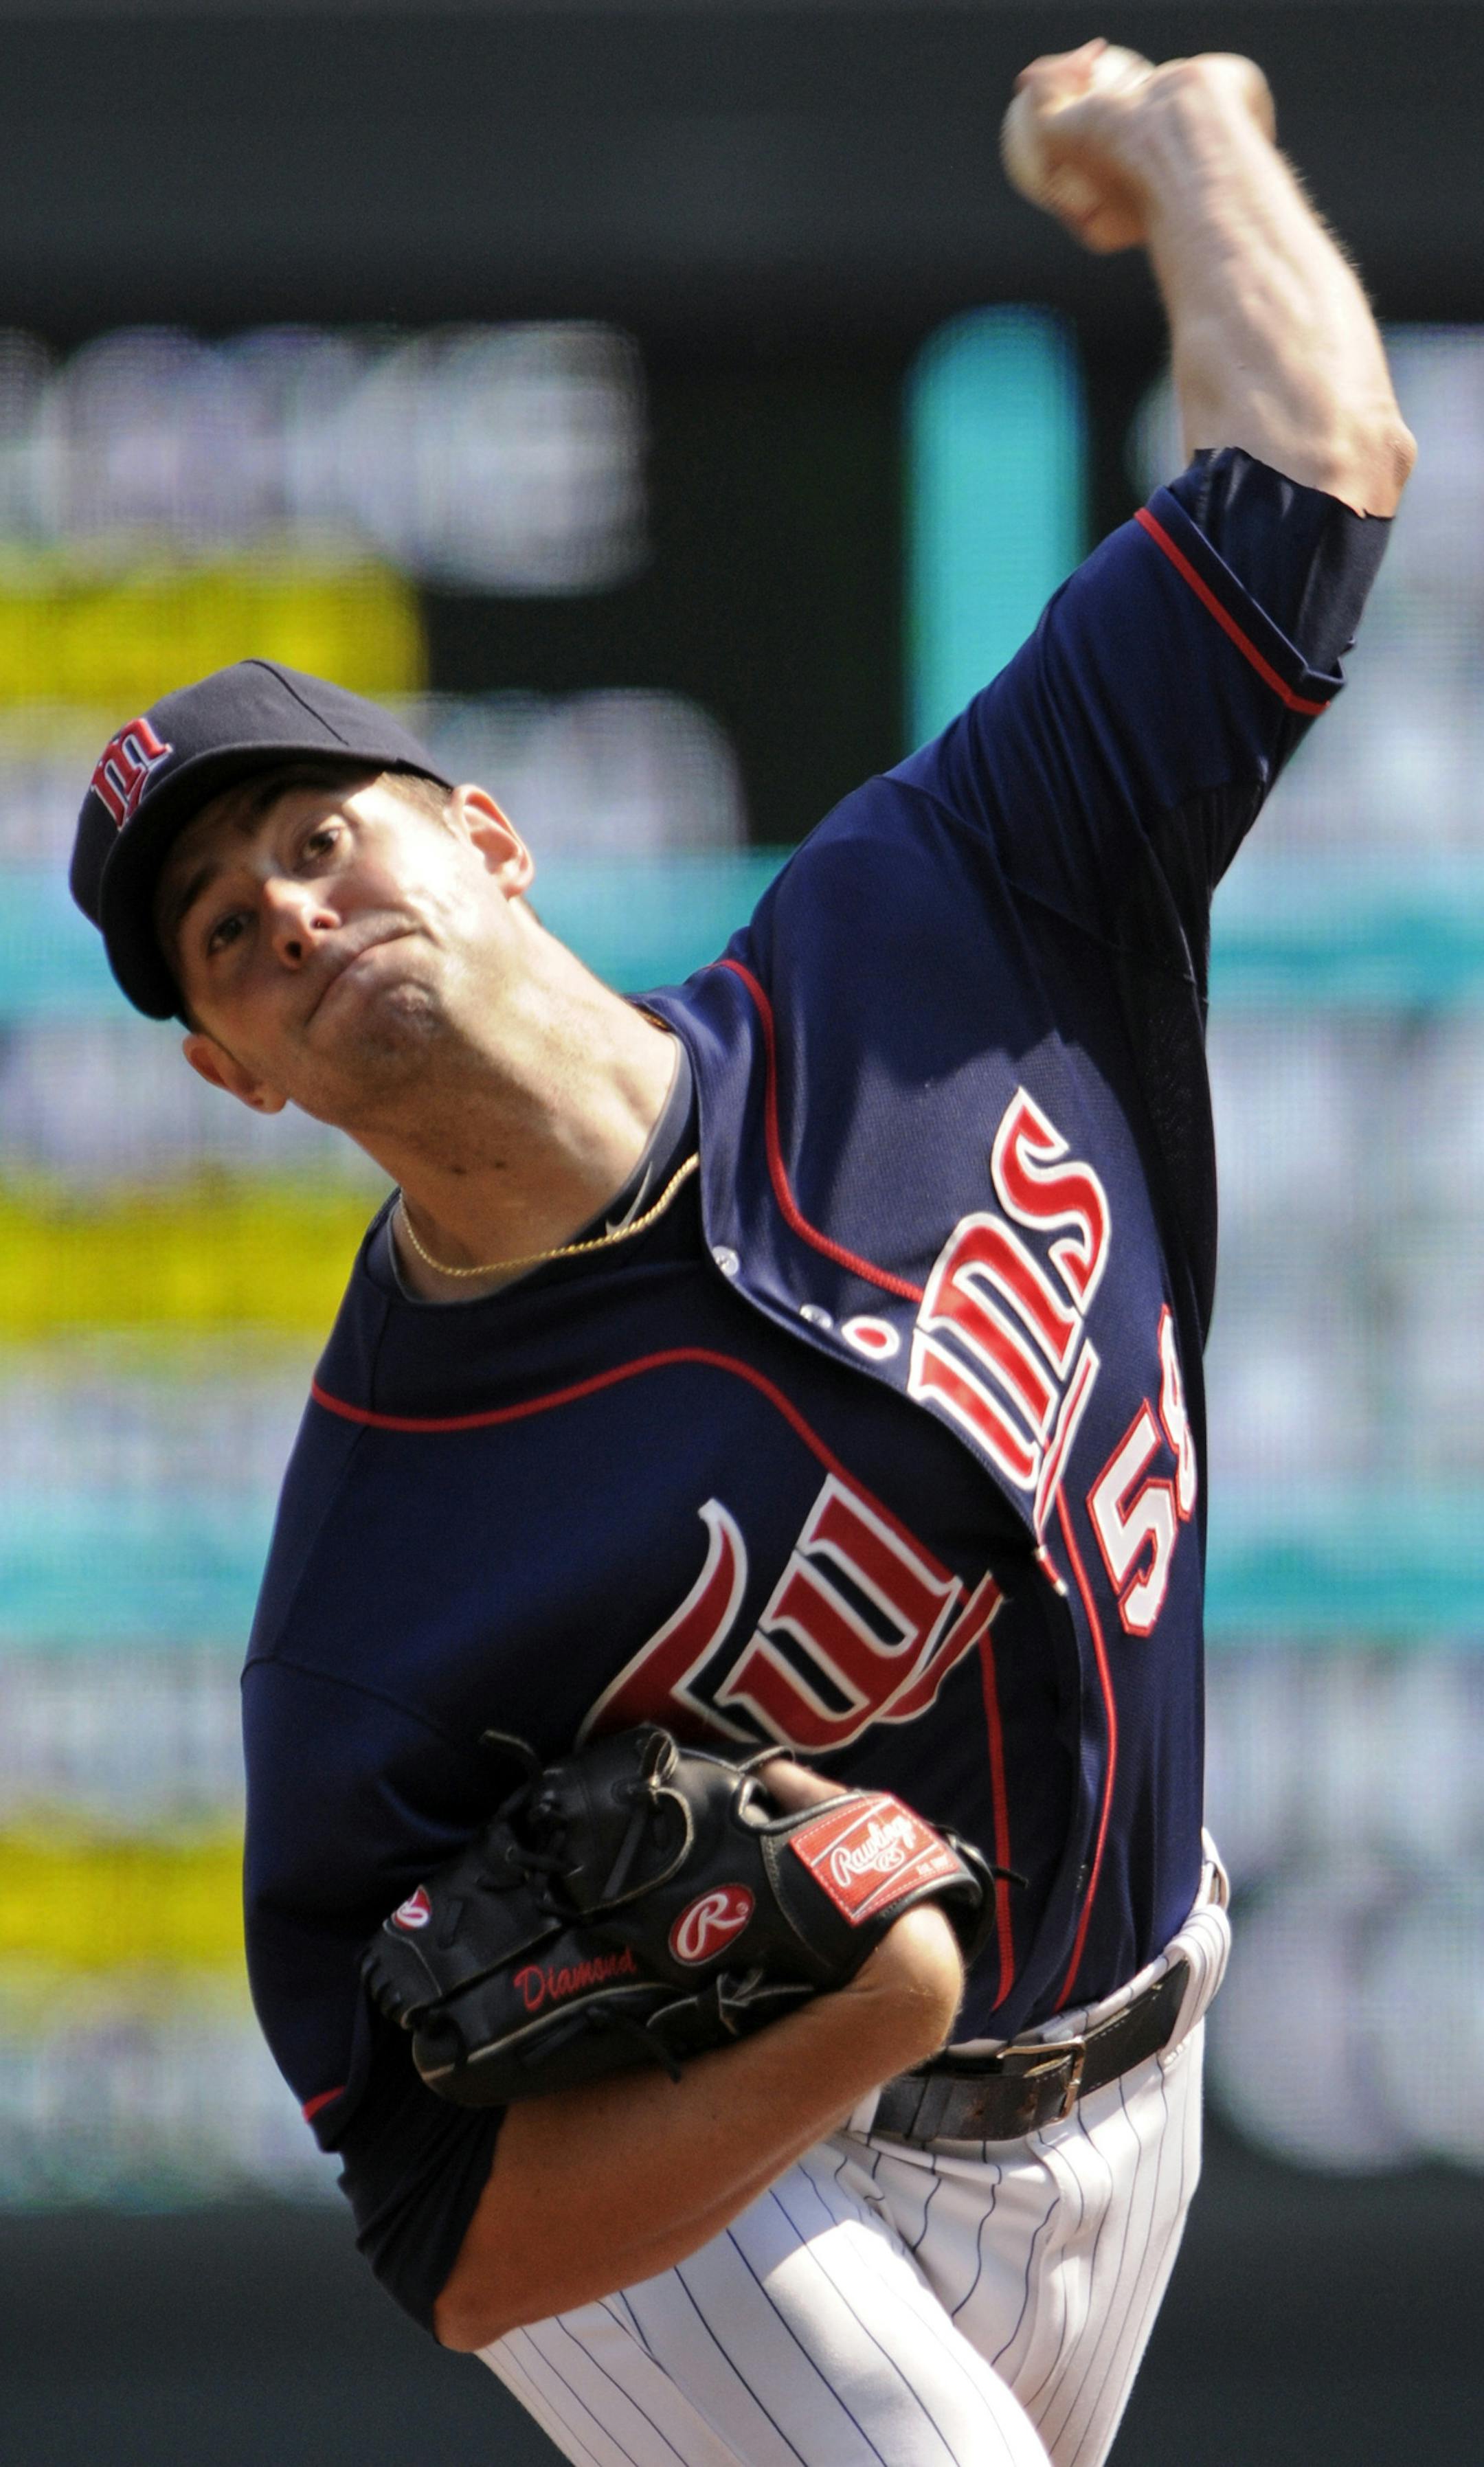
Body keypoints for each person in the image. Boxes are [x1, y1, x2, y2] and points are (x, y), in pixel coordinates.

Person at [69, 39, 1412, 2467]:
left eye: (314, 836)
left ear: (487, 835)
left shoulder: (941, 914)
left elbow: (1309, 479)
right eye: (218, 937)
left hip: (1147, 2043)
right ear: (231, 1075)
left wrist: (1196, 147)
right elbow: (449, 2238)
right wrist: (850, 2020)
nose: (280, 908)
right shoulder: (387, 1582)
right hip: (736, 2199)